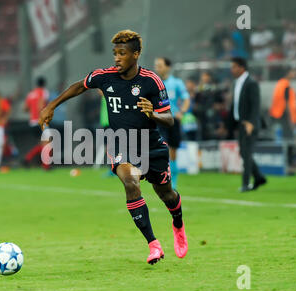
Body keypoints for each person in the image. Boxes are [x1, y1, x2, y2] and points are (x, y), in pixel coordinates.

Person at [39, 30, 188, 264]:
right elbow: (79, 86)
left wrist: (154, 114)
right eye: (115, 53)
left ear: (136, 54)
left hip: (151, 145)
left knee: (167, 195)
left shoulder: (151, 81)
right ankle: (153, 244)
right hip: (121, 143)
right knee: (131, 182)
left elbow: (169, 119)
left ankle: (178, 224)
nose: (117, 58)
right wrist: (51, 106)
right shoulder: (105, 76)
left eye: (123, 53)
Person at [228, 57, 267, 192]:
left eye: (233, 67)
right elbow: (236, 105)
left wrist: (251, 122)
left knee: (246, 153)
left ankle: (245, 183)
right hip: (241, 123)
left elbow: (255, 105)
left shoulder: (251, 83)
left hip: (249, 124)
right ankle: (259, 177)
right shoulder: (237, 83)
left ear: (241, 67)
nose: (231, 70)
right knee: (245, 154)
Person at [154, 57, 190, 189]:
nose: (157, 68)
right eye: (156, 66)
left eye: (160, 65)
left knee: (173, 150)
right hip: (159, 120)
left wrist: (182, 112)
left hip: (173, 120)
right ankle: (164, 177)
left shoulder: (177, 83)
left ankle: (173, 178)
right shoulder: (154, 83)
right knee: (163, 149)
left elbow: (186, 99)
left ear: (168, 67)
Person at [269, 67, 296, 169]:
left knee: (283, 139)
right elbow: (286, 103)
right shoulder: (285, 85)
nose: (295, 74)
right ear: (288, 72)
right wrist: (290, 119)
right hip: (284, 116)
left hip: (278, 115)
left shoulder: (280, 84)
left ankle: (286, 161)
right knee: (288, 139)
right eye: (294, 72)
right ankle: (289, 162)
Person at [23, 77, 50, 169]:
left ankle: (27, 159)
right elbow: (41, 105)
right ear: (44, 84)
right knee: (47, 143)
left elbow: (25, 108)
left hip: (32, 122)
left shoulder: (31, 94)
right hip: (41, 121)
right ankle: (46, 166)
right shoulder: (43, 92)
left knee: (42, 144)